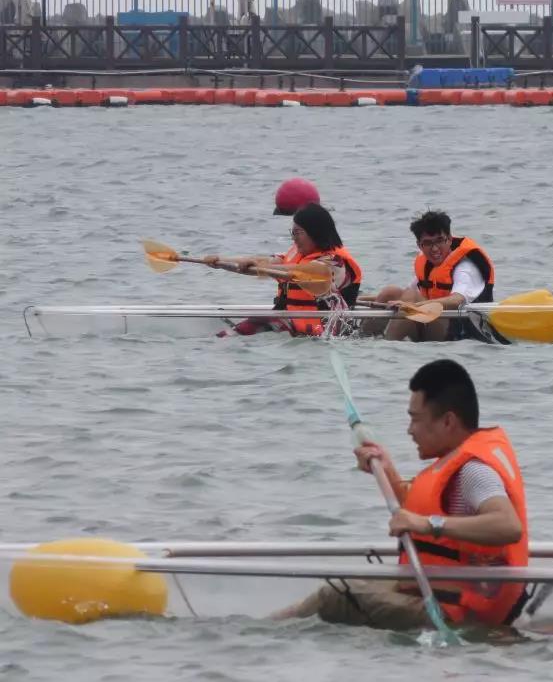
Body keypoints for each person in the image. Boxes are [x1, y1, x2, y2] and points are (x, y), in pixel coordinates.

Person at [271, 359, 529, 631]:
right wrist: (387, 472)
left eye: (415, 419)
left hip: (457, 612)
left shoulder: (473, 471)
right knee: (352, 581)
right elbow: (428, 513)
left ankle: (263, 634)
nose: (410, 430)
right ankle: (269, 628)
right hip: (439, 589)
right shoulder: (458, 463)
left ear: (448, 421)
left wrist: (427, 524)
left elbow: (508, 526)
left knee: (334, 595)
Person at [207, 203, 362, 336]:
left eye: (298, 233)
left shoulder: (334, 263)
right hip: (292, 323)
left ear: (316, 232)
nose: (293, 238)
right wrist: (220, 261)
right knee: (242, 330)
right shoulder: (296, 254)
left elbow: (299, 271)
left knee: (256, 326)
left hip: (327, 331)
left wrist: (262, 268)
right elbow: (260, 262)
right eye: (292, 233)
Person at [362, 210, 497, 342]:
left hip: (460, 331)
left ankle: (387, 347)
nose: (434, 249)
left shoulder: (465, 268)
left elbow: (457, 301)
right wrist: (353, 298)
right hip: (432, 322)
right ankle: (362, 340)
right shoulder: (427, 265)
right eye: (427, 243)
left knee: (410, 298)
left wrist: (415, 305)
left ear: (449, 239)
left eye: (439, 241)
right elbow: (402, 296)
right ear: (419, 245)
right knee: (390, 292)